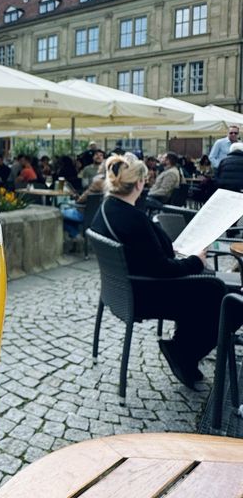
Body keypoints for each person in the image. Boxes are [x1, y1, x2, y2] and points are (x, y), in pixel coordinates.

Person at [90, 153, 224, 388]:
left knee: (205, 289)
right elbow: (164, 269)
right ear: (140, 183)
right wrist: (195, 261)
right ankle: (184, 352)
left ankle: (183, 347)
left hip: (123, 290)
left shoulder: (106, 209)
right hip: (145, 293)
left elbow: (149, 256)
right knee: (216, 290)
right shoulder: (134, 219)